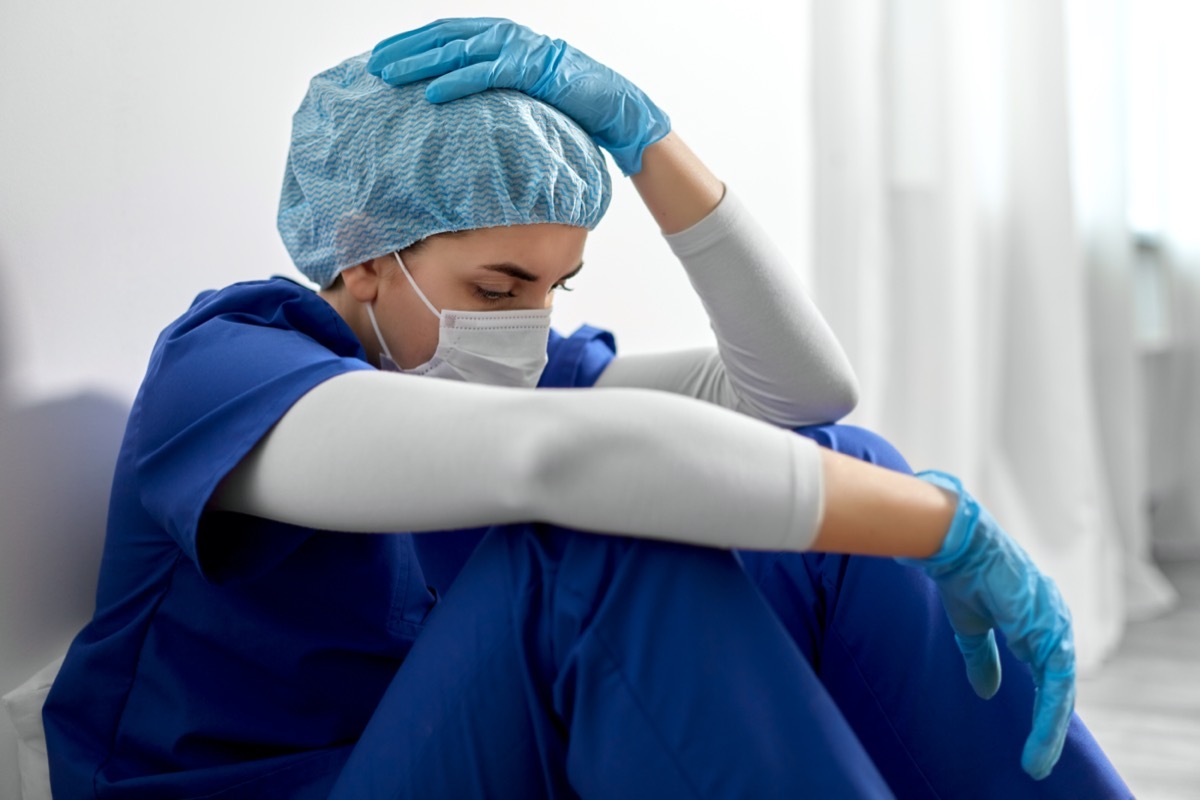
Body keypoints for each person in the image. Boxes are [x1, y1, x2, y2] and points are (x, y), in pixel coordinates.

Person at [43, 17, 1131, 799]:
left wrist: (649, 142)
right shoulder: (227, 369)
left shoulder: (496, 376)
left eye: (557, 287)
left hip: (452, 757)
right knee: (591, 549)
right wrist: (937, 524)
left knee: (843, 471)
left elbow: (799, 397)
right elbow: (555, 463)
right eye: (498, 289)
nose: (529, 325)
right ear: (363, 251)